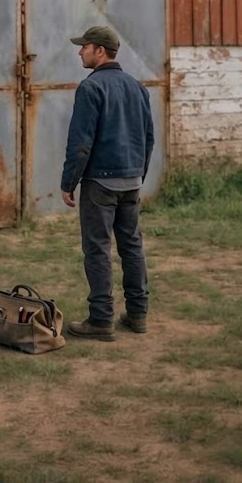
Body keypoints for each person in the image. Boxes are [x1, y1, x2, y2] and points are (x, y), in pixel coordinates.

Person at [60, 26, 154, 342]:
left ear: (100, 51)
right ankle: (138, 314)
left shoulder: (91, 88)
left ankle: (101, 320)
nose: (79, 52)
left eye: (84, 46)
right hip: (130, 181)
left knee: (97, 248)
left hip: (100, 183)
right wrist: (138, 174)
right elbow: (149, 138)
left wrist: (68, 181)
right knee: (132, 245)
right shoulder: (138, 87)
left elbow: (81, 143)